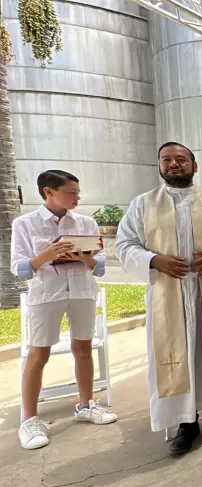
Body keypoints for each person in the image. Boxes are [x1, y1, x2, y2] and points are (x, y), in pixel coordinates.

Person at [115, 142, 202, 456]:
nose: (174, 164)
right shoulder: (143, 204)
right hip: (168, 294)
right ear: (160, 166)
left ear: (194, 165)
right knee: (177, 357)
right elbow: (124, 244)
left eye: (181, 159)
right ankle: (185, 425)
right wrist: (153, 260)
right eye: (167, 159)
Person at [13, 170, 116, 450]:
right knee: (38, 354)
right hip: (46, 294)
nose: (77, 198)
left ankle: (86, 405)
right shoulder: (25, 224)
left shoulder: (86, 223)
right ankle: (29, 419)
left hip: (82, 291)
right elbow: (20, 269)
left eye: (78, 193)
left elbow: (101, 265)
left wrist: (85, 258)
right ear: (49, 192)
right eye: (71, 193)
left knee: (83, 348)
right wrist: (49, 253)